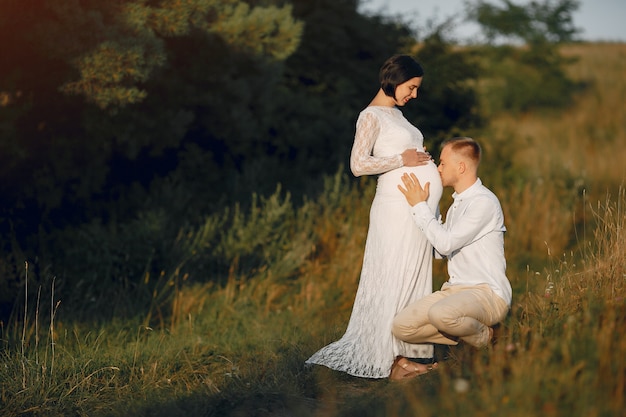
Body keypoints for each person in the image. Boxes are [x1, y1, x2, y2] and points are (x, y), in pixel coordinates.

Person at [305, 55, 443, 380]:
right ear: (394, 81)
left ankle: (404, 354)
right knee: (394, 277)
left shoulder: (398, 116)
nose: (414, 95)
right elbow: (357, 165)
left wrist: (421, 161)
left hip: (413, 209)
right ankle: (388, 361)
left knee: (412, 279)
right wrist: (403, 158)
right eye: (411, 88)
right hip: (394, 210)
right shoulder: (370, 116)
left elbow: (409, 156)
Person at [392, 137, 511, 356]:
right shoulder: (457, 204)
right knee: (401, 326)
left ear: (461, 167)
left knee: (441, 314)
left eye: (443, 163)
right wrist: (427, 204)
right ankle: (469, 337)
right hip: (454, 291)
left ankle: (490, 338)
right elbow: (439, 251)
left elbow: (445, 244)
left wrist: (418, 206)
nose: (438, 168)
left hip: (487, 293)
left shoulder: (483, 202)